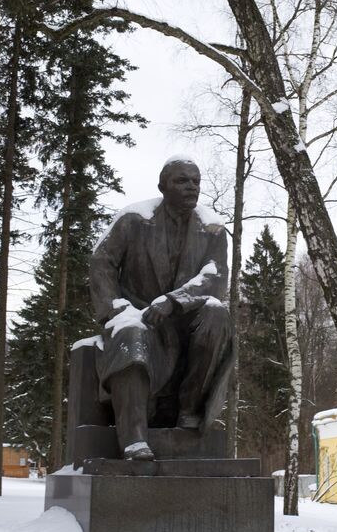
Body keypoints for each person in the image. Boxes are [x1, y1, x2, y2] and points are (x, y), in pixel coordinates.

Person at [89, 158, 233, 460]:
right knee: (130, 334)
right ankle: (134, 439)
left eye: (195, 181)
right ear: (162, 186)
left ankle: (189, 411)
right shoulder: (134, 220)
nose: (191, 186)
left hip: (184, 318)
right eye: (182, 181)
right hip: (137, 314)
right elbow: (101, 262)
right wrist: (116, 311)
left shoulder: (212, 229)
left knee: (217, 313)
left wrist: (174, 300)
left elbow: (215, 277)